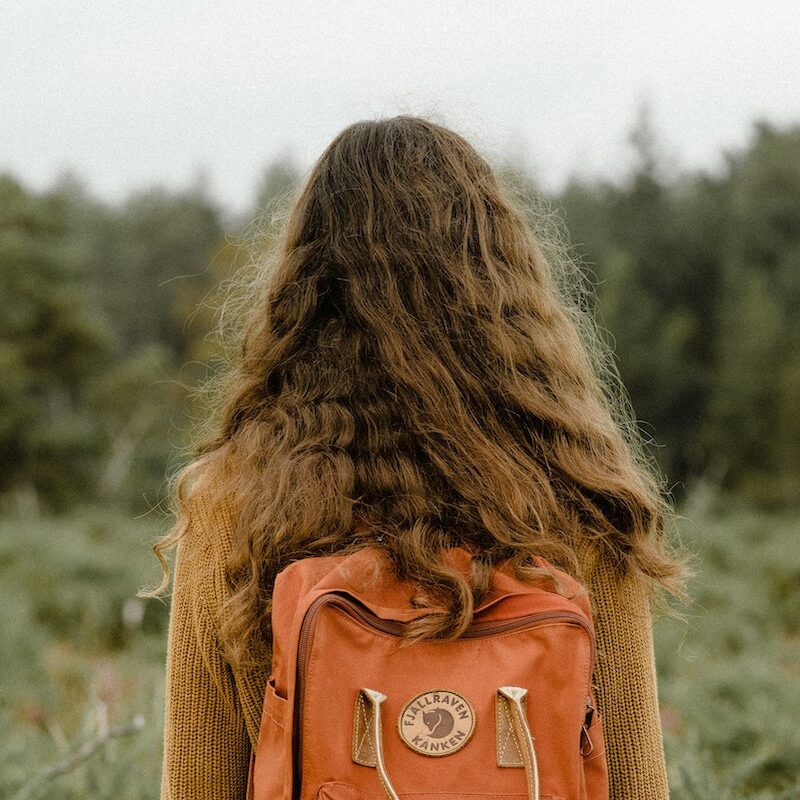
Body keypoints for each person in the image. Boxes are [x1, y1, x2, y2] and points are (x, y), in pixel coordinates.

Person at [154, 115, 688, 800]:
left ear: (308, 288)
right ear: (503, 285)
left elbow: (198, 785)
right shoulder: (583, 499)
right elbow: (637, 786)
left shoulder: (235, 501)